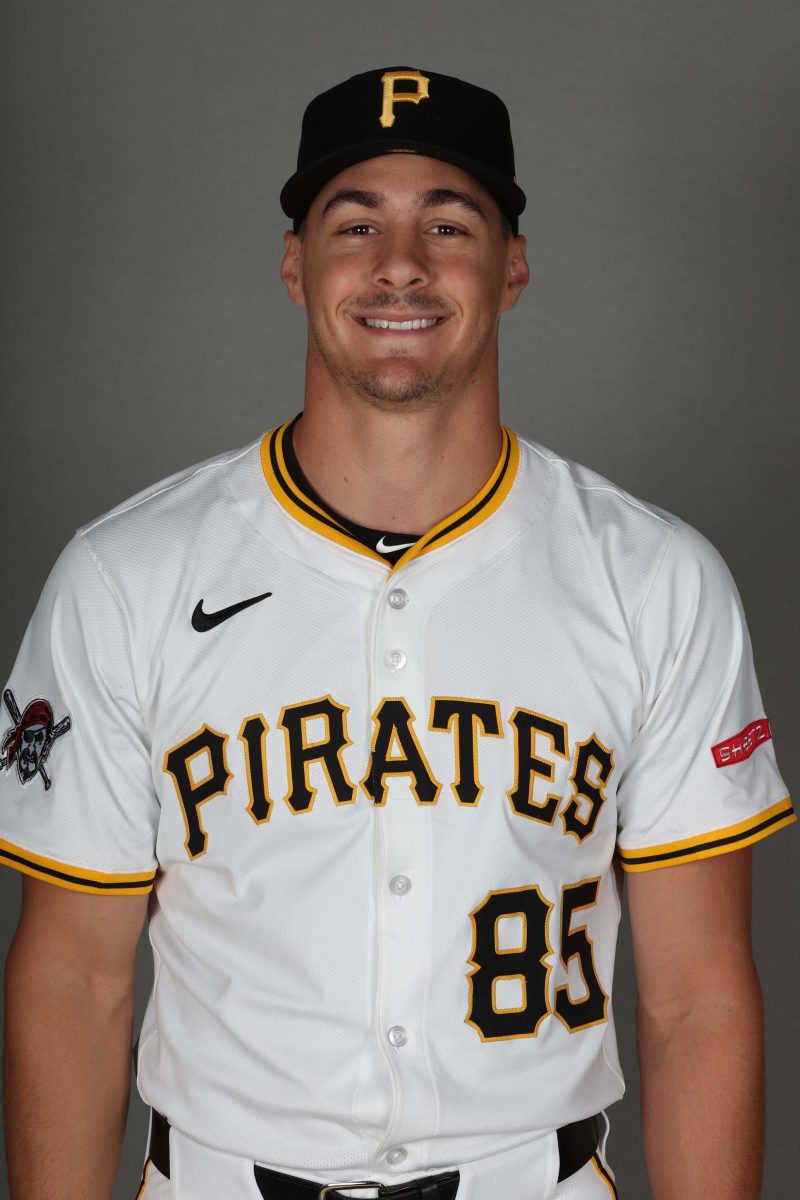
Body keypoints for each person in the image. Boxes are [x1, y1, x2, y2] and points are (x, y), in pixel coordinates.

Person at [0, 66, 793, 1200]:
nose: (401, 264)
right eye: (356, 223)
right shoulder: (126, 577)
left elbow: (695, 999)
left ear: (513, 266)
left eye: (449, 224)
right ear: (295, 265)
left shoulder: (654, 579)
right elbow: (72, 983)